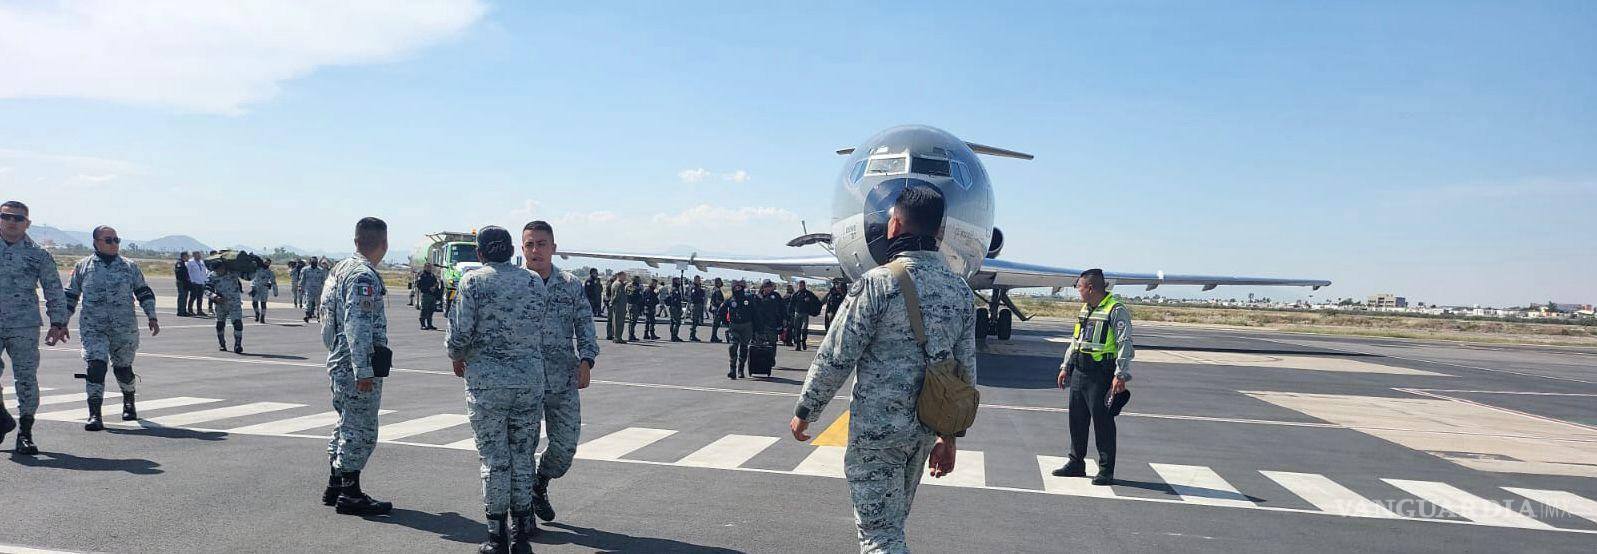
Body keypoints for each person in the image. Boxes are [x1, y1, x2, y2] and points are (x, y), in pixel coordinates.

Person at [789, 185, 974, 553]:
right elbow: (964, 372)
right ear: (939, 233)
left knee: (879, 536)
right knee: (891, 528)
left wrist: (806, 410)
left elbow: (836, 355)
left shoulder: (877, 284)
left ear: (895, 225)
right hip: (924, 429)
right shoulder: (960, 291)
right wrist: (950, 436)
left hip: (878, 433)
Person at [447, 226, 547, 550]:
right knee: (523, 456)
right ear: (512, 251)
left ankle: (497, 535)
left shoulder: (473, 282)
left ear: (480, 253)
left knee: (494, 459)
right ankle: (521, 534)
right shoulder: (534, 281)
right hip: (528, 382)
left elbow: (459, 333)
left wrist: (456, 355)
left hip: (488, 385)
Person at [521, 220, 599, 526]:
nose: (535, 250)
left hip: (562, 377)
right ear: (522, 248)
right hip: (522, 380)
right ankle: (522, 513)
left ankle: (539, 483)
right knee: (521, 449)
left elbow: (585, 324)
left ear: (553, 248)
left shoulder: (570, 285)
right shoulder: (514, 283)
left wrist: (587, 360)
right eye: (529, 245)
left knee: (565, 447)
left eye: (541, 244)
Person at [317, 218, 393, 516]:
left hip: (339, 357)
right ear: (384, 244)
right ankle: (350, 493)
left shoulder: (340, 269)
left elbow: (326, 319)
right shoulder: (363, 275)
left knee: (346, 422)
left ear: (356, 241)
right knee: (361, 428)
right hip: (355, 363)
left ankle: (336, 484)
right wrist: (363, 370)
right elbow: (357, 325)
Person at [64, 226, 161, 431]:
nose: (114, 244)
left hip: (124, 328)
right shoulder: (83, 266)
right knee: (96, 366)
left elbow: (143, 291)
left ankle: (129, 400)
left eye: (116, 240)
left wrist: (152, 316)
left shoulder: (129, 266)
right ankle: (95, 414)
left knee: (123, 369)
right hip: (93, 327)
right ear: (96, 243)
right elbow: (71, 295)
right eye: (108, 240)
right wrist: (60, 322)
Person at [1051, 268, 1133, 486]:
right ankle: (1076, 463)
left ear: (1090, 288)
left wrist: (1120, 374)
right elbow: (1076, 340)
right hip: (1080, 372)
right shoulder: (1085, 309)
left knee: (1102, 423)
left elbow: (1125, 343)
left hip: (1100, 374)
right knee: (1077, 421)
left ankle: (1106, 469)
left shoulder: (1115, 309)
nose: (1077, 290)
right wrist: (1065, 366)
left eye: (1079, 286)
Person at [0, 200, 70, 455]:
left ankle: (25, 433)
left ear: (27, 223)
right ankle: (2, 417)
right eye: (6, 216)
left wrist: (58, 322)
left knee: (26, 379)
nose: (12, 222)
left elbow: (54, 289)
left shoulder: (39, 254)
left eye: (18, 218)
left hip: (24, 325)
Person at [206, 262, 246, 353]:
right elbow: (207, 289)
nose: (218, 272)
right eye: (216, 270)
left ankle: (238, 344)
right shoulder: (212, 275)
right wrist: (214, 296)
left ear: (223, 267)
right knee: (220, 324)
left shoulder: (233, 272)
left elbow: (248, 277)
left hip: (234, 303)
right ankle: (222, 343)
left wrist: (254, 267)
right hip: (220, 303)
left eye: (220, 269)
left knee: (237, 323)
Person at [723, 280, 754, 379]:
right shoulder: (730, 299)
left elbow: (755, 313)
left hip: (746, 326)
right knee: (733, 346)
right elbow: (721, 311)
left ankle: (741, 368)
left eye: (739, 287)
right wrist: (725, 322)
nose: (738, 289)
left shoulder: (748, 299)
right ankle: (732, 369)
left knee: (744, 347)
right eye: (736, 288)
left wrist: (758, 328)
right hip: (734, 325)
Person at [790, 280, 820, 351]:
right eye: (799, 286)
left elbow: (816, 301)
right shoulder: (796, 294)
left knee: (804, 329)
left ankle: (803, 340)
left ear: (804, 286)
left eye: (801, 286)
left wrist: (810, 301)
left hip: (805, 313)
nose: (800, 287)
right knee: (797, 329)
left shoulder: (808, 294)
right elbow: (791, 304)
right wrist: (790, 313)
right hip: (797, 313)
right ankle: (798, 345)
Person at [755, 280, 785, 349]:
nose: (768, 288)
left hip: (772, 324)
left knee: (772, 343)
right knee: (760, 345)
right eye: (766, 287)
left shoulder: (776, 296)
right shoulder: (758, 297)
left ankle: (772, 355)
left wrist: (784, 319)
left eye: (770, 287)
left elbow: (782, 308)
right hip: (760, 324)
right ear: (763, 287)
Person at [300, 256, 328, 323]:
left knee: (319, 304)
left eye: (315, 262)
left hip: (318, 290)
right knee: (308, 303)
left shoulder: (320, 270)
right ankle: (307, 316)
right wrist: (301, 287)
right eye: (313, 262)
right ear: (310, 262)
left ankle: (319, 316)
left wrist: (325, 289)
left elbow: (323, 281)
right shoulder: (305, 270)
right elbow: (302, 280)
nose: (314, 263)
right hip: (309, 290)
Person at [250, 258, 278, 324]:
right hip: (256, 287)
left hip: (264, 288)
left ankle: (262, 317)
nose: (266, 264)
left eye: (268, 263)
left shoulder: (270, 272)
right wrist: (252, 286)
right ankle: (257, 313)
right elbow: (251, 276)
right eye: (265, 262)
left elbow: (273, 282)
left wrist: (275, 291)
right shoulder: (257, 269)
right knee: (254, 302)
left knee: (263, 303)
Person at [417, 263, 442, 330]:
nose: (429, 268)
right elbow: (419, 285)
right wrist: (428, 288)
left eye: (430, 267)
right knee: (424, 310)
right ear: (425, 267)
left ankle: (429, 324)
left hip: (432, 295)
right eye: (428, 267)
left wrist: (435, 287)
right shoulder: (422, 275)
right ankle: (423, 325)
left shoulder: (432, 275)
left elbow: (436, 283)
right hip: (426, 295)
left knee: (431, 310)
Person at [606, 272, 628, 344]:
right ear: (620, 276)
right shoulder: (618, 284)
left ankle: (617, 337)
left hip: (619, 305)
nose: (625, 277)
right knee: (618, 322)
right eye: (624, 276)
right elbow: (616, 295)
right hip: (619, 306)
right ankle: (617, 337)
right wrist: (612, 303)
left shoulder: (618, 284)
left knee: (617, 322)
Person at [186, 250, 208, 317]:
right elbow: (188, 272)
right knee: (193, 297)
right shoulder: (190, 262)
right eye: (197, 254)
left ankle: (199, 311)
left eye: (199, 254)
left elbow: (204, 272)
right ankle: (190, 310)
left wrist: (205, 280)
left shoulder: (202, 262)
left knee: (200, 298)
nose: (199, 256)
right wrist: (191, 280)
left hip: (201, 282)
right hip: (194, 282)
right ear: (193, 255)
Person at [666, 277, 685, 342]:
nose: (679, 281)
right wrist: (679, 308)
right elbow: (676, 300)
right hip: (675, 307)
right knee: (677, 322)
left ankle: (673, 336)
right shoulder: (675, 289)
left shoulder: (674, 289)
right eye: (678, 280)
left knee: (673, 322)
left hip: (673, 307)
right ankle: (674, 336)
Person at [688, 276, 706, 342]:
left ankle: (693, 334)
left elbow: (702, 294)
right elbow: (694, 297)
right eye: (697, 279)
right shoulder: (694, 288)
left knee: (696, 320)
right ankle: (692, 335)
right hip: (695, 305)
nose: (699, 281)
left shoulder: (699, 287)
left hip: (699, 305)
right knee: (694, 320)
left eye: (699, 279)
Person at [626, 276, 644, 342]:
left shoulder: (631, 286)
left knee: (633, 321)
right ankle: (631, 335)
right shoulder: (633, 287)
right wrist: (638, 289)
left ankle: (632, 334)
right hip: (633, 304)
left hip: (634, 304)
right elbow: (633, 295)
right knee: (632, 321)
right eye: (638, 280)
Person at [708, 277, 726, 343]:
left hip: (715, 308)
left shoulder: (715, 289)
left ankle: (714, 336)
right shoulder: (717, 290)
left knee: (716, 324)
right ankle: (713, 337)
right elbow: (717, 300)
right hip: (717, 308)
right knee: (716, 323)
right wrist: (723, 302)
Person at [174, 252, 192, 317]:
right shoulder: (179, 263)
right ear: (184, 256)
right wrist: (185, 279)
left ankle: (183, 310)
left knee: (185, 297)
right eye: (187, 256)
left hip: (185, 282)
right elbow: (179, 273)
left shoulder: (183, 263)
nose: (188, 257)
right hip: (181, 282)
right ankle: (180, 311)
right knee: (182, 297)